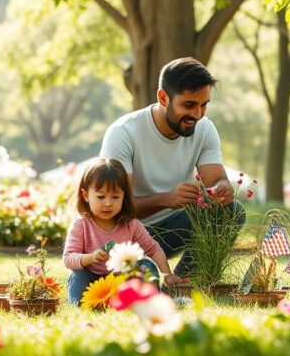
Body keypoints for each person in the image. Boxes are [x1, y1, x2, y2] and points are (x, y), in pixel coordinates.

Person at [99, 57, 244, 276]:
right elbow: (114, 210)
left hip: (169, 229)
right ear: (163, 97)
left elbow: (217, 181)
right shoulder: (124, 133)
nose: (197, 115)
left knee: (231, 212)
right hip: (125, 236)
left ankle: (189, 281)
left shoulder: (204, 129)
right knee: (138, 278)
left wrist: (223, 188)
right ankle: (147, 273)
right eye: (189, 105)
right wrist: (167, 199)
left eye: (203, 105)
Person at [63, 158, 182, 305]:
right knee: (77, 275)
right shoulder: (81, 224)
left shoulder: (131, 224)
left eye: (115, 197)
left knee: (146, 265)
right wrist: (90, 258)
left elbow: (153, 249)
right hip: (90, 278)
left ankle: (150, 299)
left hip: (121, 277)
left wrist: (167, 273)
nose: (108, 203)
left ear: (124, 196)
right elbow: (68, 258)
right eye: (101, 197)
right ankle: (76, 304)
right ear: (85, 195)